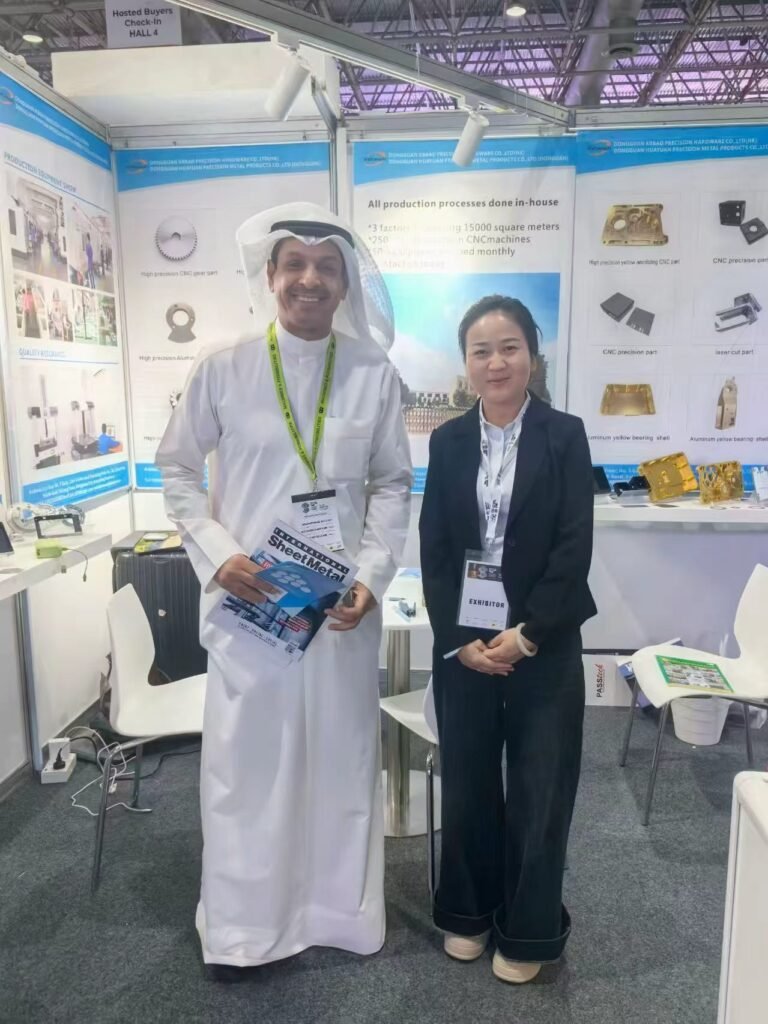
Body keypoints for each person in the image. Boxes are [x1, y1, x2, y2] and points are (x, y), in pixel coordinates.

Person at [156, 202, 412, 979]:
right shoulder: (224, 366)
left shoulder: (372, 373)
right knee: (248, 773)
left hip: (338, 614)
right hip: (253, 609)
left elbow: (392, 482)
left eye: (326, 267)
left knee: (339, 764)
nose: (309, 279)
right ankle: (245, 931)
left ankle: (338, 917)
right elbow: (176, 468)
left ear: (344, 284)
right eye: (294, 264)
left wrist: (372, 577)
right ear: (269, 275)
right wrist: (218, 553)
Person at [419, 295, 596, 985]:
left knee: (540, 788)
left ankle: (528, 929)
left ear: (532, 355)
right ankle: (466, 911)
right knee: (466, 781)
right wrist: (457, 639)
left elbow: (573, 548)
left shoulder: (565, 435)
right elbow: (436, 548)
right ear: (466, 363)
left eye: (509, 347)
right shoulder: (447, 441)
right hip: (467, 643)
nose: (496, 362)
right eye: (481, 351)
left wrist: (528, 635)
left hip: (543, 642)